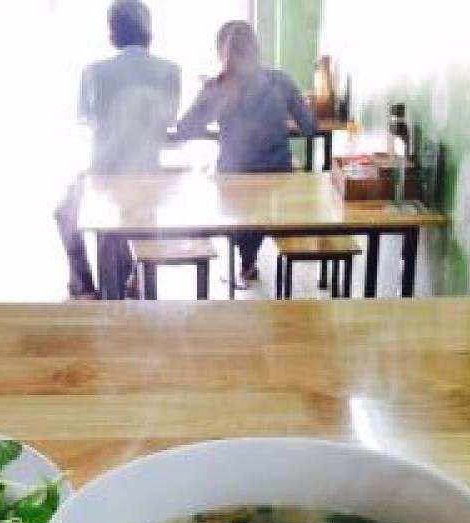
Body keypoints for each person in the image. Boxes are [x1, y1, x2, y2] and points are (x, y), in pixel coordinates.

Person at [55, 0, 180, 299]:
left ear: (112, 33)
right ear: (149, 32)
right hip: (149, 173)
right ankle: (133, 275)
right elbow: (168, 121)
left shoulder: (93, 72)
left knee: (63, 213)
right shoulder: (171, 71)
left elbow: (88, 119)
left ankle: (84, 285)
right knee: (130, 223)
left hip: (103, 173)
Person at [176, 20, 316, 284]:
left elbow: (184, 130)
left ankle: (245, 257)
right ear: (257, 50)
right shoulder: (281, 81)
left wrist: (210, 109)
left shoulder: (216, 87)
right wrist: (282, 121)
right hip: (278, 181)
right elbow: (310, 127)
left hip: (233, 179)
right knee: (260, 201)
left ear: (221, 52)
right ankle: (248, 258)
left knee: (224, 192)